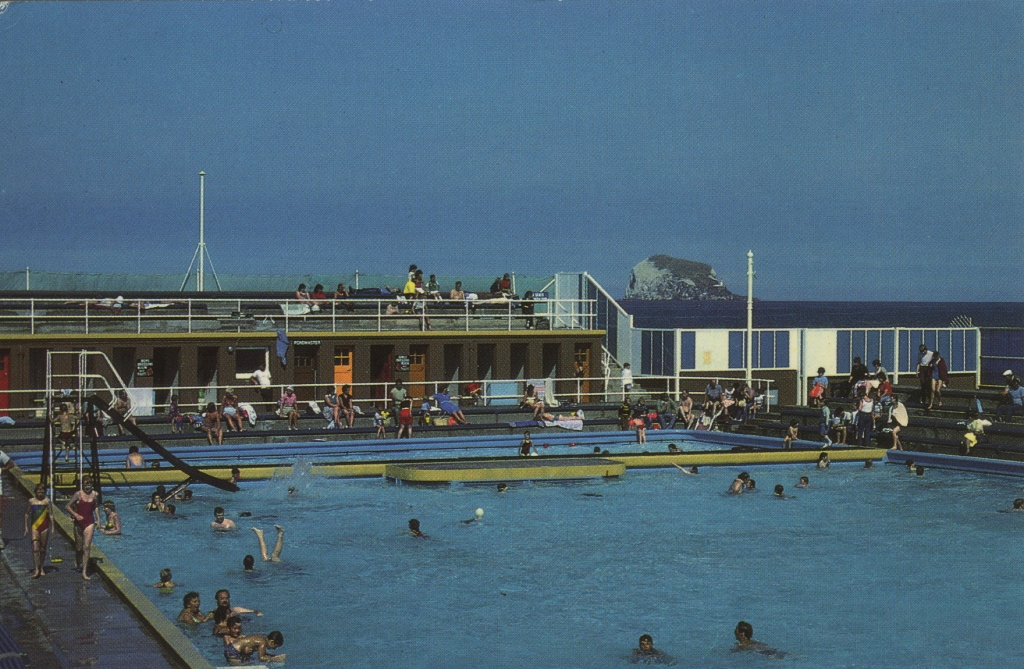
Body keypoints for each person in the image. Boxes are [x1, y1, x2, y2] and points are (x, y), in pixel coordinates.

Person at [66, 477, 99, 580]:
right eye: (85, 484)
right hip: (79, 522)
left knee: (87, 546)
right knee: (79, 548)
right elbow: (67, 506)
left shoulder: (95, 494)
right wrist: (75, 515)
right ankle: (77, 560)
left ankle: (84, 571)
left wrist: (98, 519)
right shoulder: (78, 494)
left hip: (89, 522)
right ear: (82, 485)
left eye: (89, 484)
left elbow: (96, 507)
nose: (87, 486)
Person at [24, 483, 52, 578]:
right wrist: (26, 527)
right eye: (38, 491)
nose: (40, 493)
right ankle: (36, 569)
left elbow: (51, 515)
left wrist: (53, 528)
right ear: (35, 491)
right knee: (35, 548)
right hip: (35, 527)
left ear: (45, 492)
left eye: (42, 491)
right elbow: (27, 514)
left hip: (45, 527)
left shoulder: (47, 501)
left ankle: (41, 566)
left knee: (43, 548)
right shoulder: (31, 501)